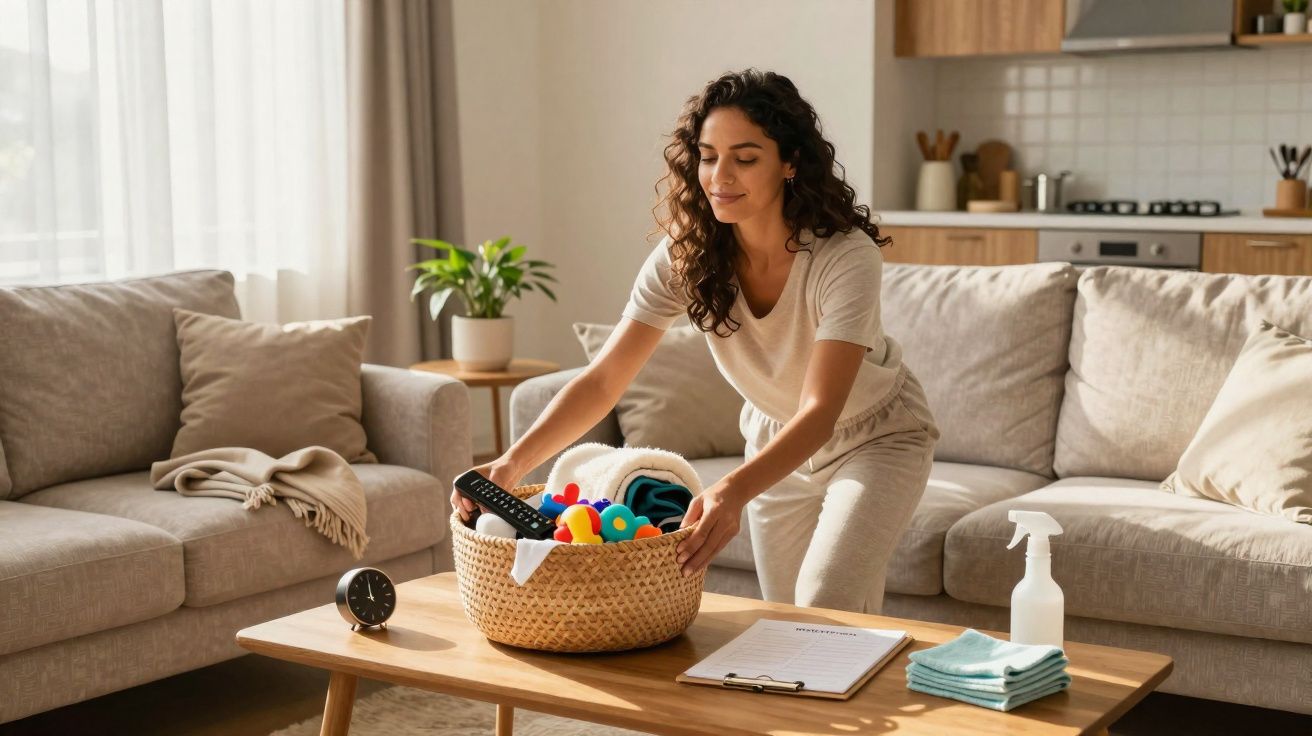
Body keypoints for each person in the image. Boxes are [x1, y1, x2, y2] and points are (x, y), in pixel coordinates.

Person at [452, 68, 939, 614]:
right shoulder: (686, 257)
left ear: (790, 162)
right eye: (709, 156)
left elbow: (822, 409)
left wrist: (730, 489)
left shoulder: (845, 257)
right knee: (789, 625)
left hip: (876, 437)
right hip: (775, 438)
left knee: (828, 603)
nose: (720, 176)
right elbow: (605, 379)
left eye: (746, 157)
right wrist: (510, 465)